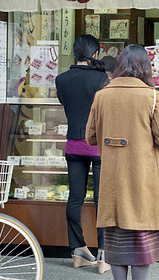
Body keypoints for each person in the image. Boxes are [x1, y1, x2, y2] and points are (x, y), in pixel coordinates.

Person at [85, 44, 159, 280]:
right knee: (142, 242)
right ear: (146, 67)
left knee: (116, 242)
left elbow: (90, 137)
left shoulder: (102, 95)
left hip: (113, 182)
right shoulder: (152, 96)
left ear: (120, 65)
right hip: (143, 183)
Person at [55, 34, 110, 273]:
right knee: (101, 200)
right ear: (95, 54)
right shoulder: (101, 79)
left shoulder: (61, 80)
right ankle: (103, 255)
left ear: (75, 53)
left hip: (73, 146)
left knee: (75, 198)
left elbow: (66, 106)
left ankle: (77, 250)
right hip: (98, 146)